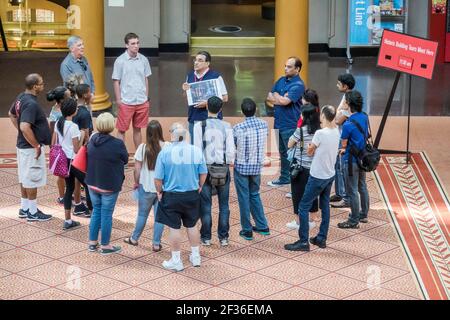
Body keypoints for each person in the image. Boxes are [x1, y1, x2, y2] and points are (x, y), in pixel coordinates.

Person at [285, 105, 340, 252]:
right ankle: (321, 238)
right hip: (330, 174)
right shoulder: (336, 131)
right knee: (325, 206)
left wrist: (310, 147)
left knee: (303, 207)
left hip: (317, 175)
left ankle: (303, 241)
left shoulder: (320, 134)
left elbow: (309, 152)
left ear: (323, 116)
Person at [154, 123, 207, 271]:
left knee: (174, 228)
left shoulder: (164, 153)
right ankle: (195, 257)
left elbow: (158, 179)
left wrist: (159, 192)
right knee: (192, 225)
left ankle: (176, 261)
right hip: (192, 194)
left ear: (172, 136)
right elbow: (203, 172)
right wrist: (200, 186)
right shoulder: (196, 151)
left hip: (171, 195)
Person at [8, 74, 52, 222]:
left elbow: (11, 114)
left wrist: (22, 133)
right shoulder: (31, 104)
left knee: (24, 177)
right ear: (35, 87)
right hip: (30, 148)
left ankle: (24, 208)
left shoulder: (21, 97)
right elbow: (24, 126)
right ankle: (33, 212)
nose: (43, 85)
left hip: (22, 145)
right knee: (32, 178)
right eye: (41, 83)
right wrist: (36, 145)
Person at [193, 96, 235, 247]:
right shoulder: (227, 126)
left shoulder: (199, 126)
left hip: (205, 169)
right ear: (220, 109)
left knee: (206, 205)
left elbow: (197, 150)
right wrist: (229, 162)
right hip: (222, 168)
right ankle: (223, 237)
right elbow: (231, 150)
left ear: (206, 107)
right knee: (224, 205)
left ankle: (206, 237)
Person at [86, 113, 129, 255]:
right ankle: (105, 245)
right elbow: (125, 159)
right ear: (111, 126)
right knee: (106, 215)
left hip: (92, 183)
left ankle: (92, 243)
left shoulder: (92, 139)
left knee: (96, 211)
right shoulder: (117, 143)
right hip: (109, 186)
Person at [124, 120, 167, 252]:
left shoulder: (142, 148)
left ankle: (134, 238)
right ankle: (155, 244)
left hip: (146, 187)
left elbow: (136, 170)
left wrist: (136, 183)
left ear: (147, 133)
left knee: (142, 215)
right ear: (160, 132)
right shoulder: (167, 147)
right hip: (162, 189)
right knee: (159, 217)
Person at [233, 98, 270, 241]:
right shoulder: (264, 125)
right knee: (254, 194)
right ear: (256, 110)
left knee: (243, 197)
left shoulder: (237, 128)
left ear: (242, 111)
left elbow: (234, 145)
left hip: (241, 167)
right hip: (256, 166)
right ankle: (262, 226)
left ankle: (247, 230)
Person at [52, 98, 91, 230]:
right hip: (73, 162)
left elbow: (55, 141)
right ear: (73, 111)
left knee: (69, 189)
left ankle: (68, 221)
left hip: (63, 160)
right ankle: (93, 214)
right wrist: (81, 135)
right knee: (88, 184)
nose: (78, 109)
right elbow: (76, 149)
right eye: (76, 108)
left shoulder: (58, 122)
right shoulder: (74, 127)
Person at [266, 57, 304, 187]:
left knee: (292, 154)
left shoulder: (298, 85)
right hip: (278, 123)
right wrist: (280, 98)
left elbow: (285, 102)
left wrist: (278, 97)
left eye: (289, 67)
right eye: (285, 66)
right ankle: (284, 178)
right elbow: (268, 97)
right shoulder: (281, 80)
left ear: (297, 69)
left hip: (290, 125)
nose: (285, 68)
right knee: (282, 153)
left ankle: (295, 184)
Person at [113, 33, 152, 150]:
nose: (136, 46)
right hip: (126, 101)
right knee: (121, 129)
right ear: (126, 45)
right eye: (133, 43)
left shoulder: (144, 60)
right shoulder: (120, 61)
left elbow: (146, 79)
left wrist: (146, 97)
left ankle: (138, 155)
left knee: (138, 129)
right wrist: (119, 100)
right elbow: (116, 81)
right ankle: (120, 155)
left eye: (137, 43)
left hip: (141, 101)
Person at [337, 91, 370, 229]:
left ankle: (353, 220)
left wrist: (343, 149)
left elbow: (344, 144)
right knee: (362, 186)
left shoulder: (348, 124)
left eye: (346, 102)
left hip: (350, 161)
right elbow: (367, 134)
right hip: (363, 157)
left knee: (352, 190)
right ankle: (364, 214)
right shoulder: (364, 116)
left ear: (349, 104)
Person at [286, 104, 321, 231]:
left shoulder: (300, 130)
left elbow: (290, 144)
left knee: (297, 194)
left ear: (305, 116)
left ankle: (298, 221)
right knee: (312, 193)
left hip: (301, 168)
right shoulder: (319, 130)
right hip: (315, 168)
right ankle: (312, 219)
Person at [182, 51, 228, 143]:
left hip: (211, 120)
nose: (196, 62)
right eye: (195, 60)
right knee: (195, 149)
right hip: (194, 118)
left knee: (211, 149)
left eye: (200, 60)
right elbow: (186, 97)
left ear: (207, 63)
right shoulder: (190, 75)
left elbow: (225, 98)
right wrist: (185, 90)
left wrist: (207, 103)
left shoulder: (216, 77)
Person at [331, 73, 356, 209]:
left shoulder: (349, 99)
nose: (337, 85)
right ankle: (340, 192)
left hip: (344, 136)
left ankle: (345, 197)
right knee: (337, 166)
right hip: (341, 134)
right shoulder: (346, 96)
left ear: (345, 86)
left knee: (342, 167)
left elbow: (338, 119)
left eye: (339, 84)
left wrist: (337, 114)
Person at [70, 83, 94, 216]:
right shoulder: (84, 113)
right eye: (90, 92)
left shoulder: (73, 108)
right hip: (82, 149)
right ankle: (85, 206)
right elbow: (86, 134)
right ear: (85, 95)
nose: (92, 94)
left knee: (77, 178)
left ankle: (78, 202)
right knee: (84, 178)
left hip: (74, 147)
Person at [47, 86, 71, 205]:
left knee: (70, 171)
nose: (71, 97)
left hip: (67, 145)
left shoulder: (64, 108)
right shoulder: (55, 114)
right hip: (61, 147)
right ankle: (62, 196)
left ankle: (71, 193)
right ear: (62, 100)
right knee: (61, 174)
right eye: (68, 96)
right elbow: (52, 132)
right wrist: (53, 148)